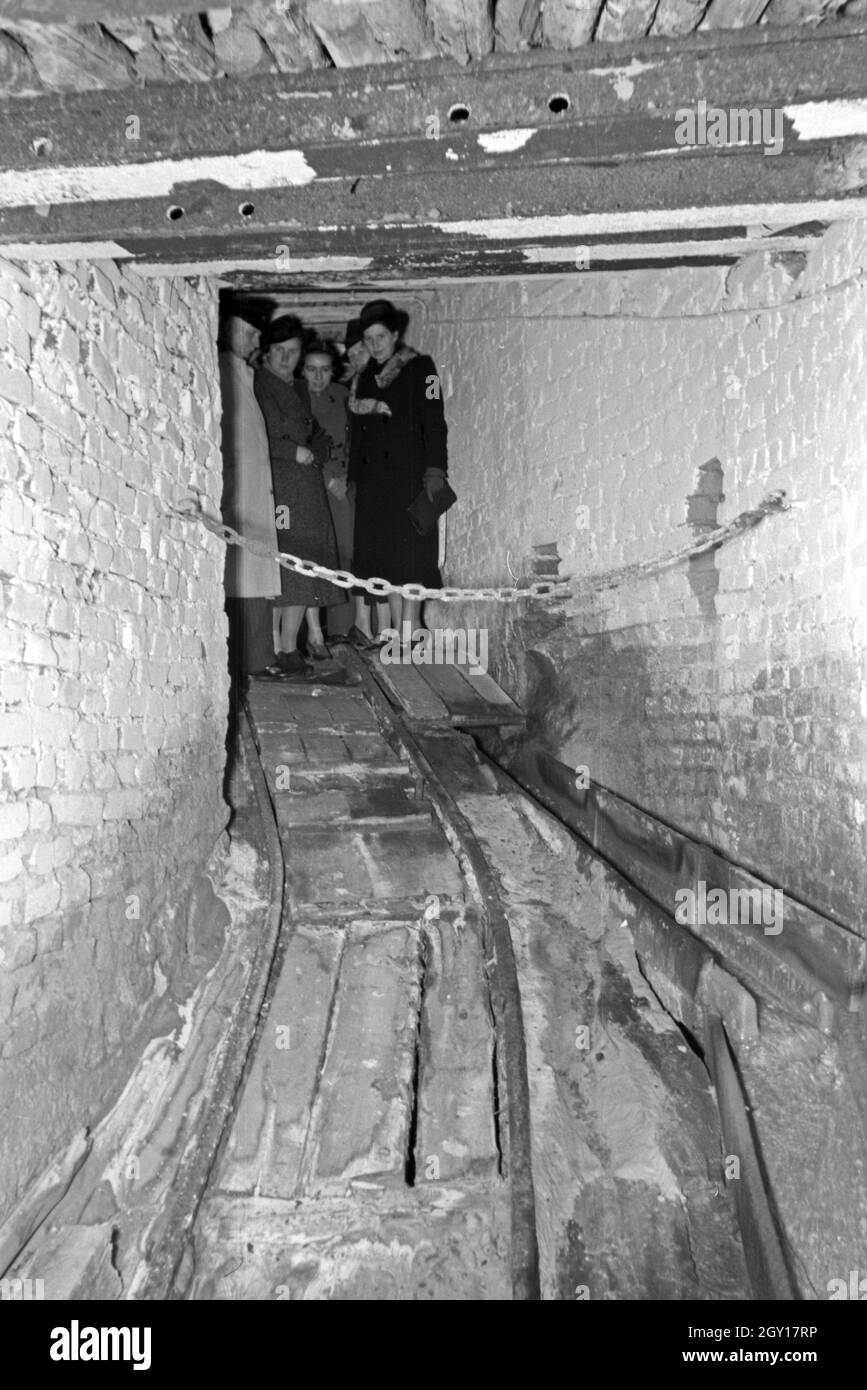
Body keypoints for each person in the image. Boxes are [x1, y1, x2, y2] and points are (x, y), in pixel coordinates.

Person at [348, 300, 449, 646]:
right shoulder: (363, 381)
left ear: (394, 334)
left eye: (381, 336)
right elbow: (357, 434)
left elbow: (435, 419)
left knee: (412, 552)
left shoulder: (422, 368)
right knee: (385, 555)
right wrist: (353, 479)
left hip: (410, 475)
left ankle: (411, 626)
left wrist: (436, 468)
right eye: (368, 338)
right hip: (376, 482)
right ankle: (396, 630)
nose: (375, 344)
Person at [254, 316, 344, 675]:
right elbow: (255, 437)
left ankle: (291, 645)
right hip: (280, 488)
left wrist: (318, 452)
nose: (286, 358)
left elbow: (318, 433)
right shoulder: (260, 386)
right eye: (280, 351)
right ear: (267, 353)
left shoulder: (298, 389)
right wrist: (291, 452)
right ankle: (278, 646)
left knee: (304, 568)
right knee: (284, 568)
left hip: (306, 490)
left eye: (293, 352)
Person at [219, 310, 282, 684]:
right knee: (241, 577)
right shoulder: (223, 369)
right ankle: (245, 662)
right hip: (239, 492)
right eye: (250, 333)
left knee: (255, 576)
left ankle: (257, 660)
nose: (256, 342)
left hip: (256, 491)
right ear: (228, 330)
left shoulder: (243, 371)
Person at [302, 339, 354, 640]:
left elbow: (354, 441)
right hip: (311, 485)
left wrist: (346, 477)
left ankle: (341, 630)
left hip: (342, 486)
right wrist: (326, 479)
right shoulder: (296, 396)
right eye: (312, 369)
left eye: (324, 370)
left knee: (343, 553)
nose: (318, 376)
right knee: (311, 556)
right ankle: (311, 632)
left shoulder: (343, 396)